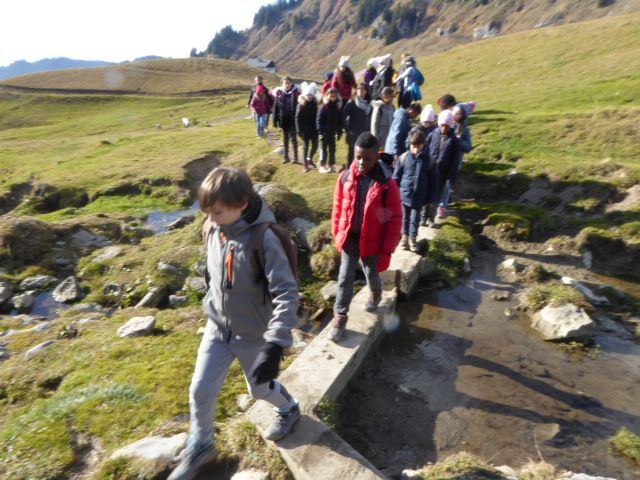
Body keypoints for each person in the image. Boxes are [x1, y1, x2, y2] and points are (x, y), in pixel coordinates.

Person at [168, 167, 300, 480]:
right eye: (208, 212)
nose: (211, 219)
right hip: (217, 329)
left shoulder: (265, 239)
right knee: (200, 389)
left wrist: (274, 345)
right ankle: (201, 444)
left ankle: (289, 408)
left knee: (260, 390)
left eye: (217, 212)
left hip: (254, 334)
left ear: (242, 203)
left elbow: (287, 293)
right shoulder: (213, 228)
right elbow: (215, 273)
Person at [329, 132, 403, 342]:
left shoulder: (387, 185)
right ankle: (340, 315)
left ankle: (375, 293)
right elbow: (337, 207)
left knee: (370, 271)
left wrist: (387, 249)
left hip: (372, 242)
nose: (361, 162)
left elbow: (395, 219)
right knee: (344, 277)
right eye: (357, 157)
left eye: (366, 158)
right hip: (350, 238)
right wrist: (337, 233)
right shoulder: (345, 177)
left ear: (376, 158)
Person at [393, 130, 438, 252]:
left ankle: (413, 239)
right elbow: (396, 177)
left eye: (419, 147)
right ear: (410, 145)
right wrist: (394, 193)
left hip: (420, 196)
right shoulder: (403, 158)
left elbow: (434, 182)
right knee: (405, 218)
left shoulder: (429, 161)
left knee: (415, 218)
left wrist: (431, 199)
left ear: (424, 145)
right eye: (414, 147)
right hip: (405, 195)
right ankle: (404, 238)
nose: (416, 150)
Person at [437, 103, 474, 216]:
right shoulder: (447, 124)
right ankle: (434, 203)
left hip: (455, 161)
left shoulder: (465, 130)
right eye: (454, 112)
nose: (455, 115)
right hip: (442, 159)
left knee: (448, 184)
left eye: (458, 113)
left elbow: (468, 147)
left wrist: (459, 141)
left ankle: (442, 206)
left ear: (462, 115)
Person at [426, 110, 460, 224]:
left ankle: (431, 217)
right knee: (426, 194)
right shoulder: (433, 134)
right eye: (442, 125)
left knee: (436, 197)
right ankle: (423, 216)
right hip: (429, 171)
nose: (444, 128)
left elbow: (455, 161)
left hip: (442, 174)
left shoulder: (454, 140)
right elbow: (425, 150)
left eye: (447, 126)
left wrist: (451, 179)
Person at [342, 83, 372, 169]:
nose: (361, 91)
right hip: (353, 134)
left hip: (365, 134)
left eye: (363, 89)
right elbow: (343, 116)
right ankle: (348, 173)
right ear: (356, 91)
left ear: (366, 92)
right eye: (359, 89)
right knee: (351, 155)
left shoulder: (369, 104)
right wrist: (347, 130)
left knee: (362, 155)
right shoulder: (352, 102)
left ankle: (358, 172)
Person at [273, 77, 301, 164]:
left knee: (293, 138)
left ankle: (295, 158)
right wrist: (275, 120)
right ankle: (286, 157)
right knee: (285, 139)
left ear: (291, 83)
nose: (287, 85)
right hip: (284, 120)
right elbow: (275, 108)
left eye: (288, 83)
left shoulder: (297, 93)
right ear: (282, 84)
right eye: (285, 83)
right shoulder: (279, 94)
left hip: (293, 120)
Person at [317, 87, 343, 173]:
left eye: (334, 96)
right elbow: (319, 120)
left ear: (336, 97)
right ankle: (322, 165)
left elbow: (339, 121)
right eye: (330, 95)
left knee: (332, 150)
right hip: (324, 133)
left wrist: (339, 132)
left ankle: (332, 165)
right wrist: (320, 132)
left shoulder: (337, 108)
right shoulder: (323, 107)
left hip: (332, 133)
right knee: (323, 150)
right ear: (327, 96)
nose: (332, 97)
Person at [296, 82, 320, 173]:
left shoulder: (315, 104)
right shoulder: (301, 105)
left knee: (315, 145)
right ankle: (305, 164)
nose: (309, 96)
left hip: (314, 129)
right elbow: (297, 118)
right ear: (304, 95)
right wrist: (299, 130)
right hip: (304, 130)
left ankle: (309, 158)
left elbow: (318, 116)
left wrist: (318, 128)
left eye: (310, 94)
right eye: (307, 95)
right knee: (305, 147)